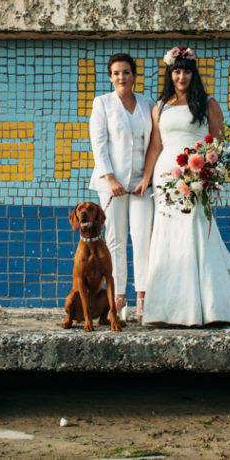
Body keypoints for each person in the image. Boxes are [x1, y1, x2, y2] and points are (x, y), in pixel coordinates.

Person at [139, 46, 230, 326]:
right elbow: (156, 145)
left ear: (193, 74)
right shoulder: (160, 106)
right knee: (168, 238)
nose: (181, 77)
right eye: (177, 71)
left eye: (186, 72)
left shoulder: (207, 103)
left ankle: (207, 306)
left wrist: (210, 172)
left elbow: (218, 143)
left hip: (196, 176)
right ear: (170, 74)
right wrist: (147, 178)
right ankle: (167, 310)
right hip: (166, 180)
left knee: (196, 232)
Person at [88, 53, 155, 320]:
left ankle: (142, 298)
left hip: (141, 184)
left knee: (142, 239)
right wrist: (110, 178)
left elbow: (153, 143)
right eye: (116, 73)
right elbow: (99, 144)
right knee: (115, 241)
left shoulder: (147, 103)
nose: (121, 77)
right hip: (111, 184)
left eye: (126, 72)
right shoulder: (102, 104)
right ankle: (118, 299)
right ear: (110, 77)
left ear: (134, 75)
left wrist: (147, 177)